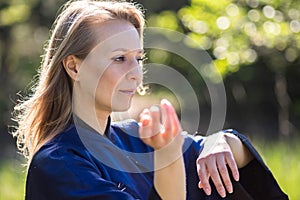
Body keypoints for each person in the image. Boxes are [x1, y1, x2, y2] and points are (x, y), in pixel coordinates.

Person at [11, 0, 288, 199]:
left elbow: (234, 155)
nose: (135, 74)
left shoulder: (135, 138)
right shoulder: (58, 164)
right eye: (119, 58)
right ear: (74, 67)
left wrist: (218, 143)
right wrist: (167, 158)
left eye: (138, 59)